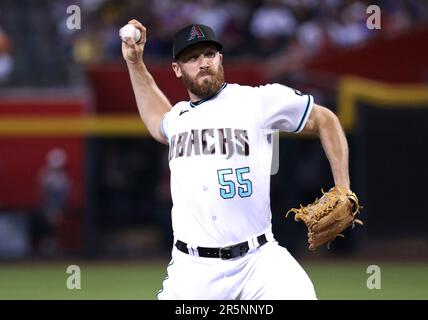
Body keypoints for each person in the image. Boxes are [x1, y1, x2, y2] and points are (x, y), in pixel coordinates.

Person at [121, 20, 351, 300]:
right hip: (193, 270)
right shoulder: (178, 119)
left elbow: (325, 119)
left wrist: (343, 188)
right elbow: (157, 118)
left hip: (259, 261)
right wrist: (135, 63)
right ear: (177, 69)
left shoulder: (257, 101)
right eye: (192, 57)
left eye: (209, 54)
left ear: (220, 58)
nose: (203, 62)